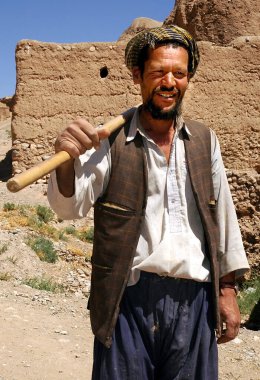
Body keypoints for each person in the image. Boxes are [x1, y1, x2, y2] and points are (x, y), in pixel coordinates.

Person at [47, 25, 249, 380]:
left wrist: (228, 290)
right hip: (129, 302)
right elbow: (69, 207)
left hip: (195, 302)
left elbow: (224, 220)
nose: (169, 82)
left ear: (188, 79)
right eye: (159, 72)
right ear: (138, 76)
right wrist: (66, 161)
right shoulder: (112, 140)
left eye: (179, 73)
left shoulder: (204, 141)